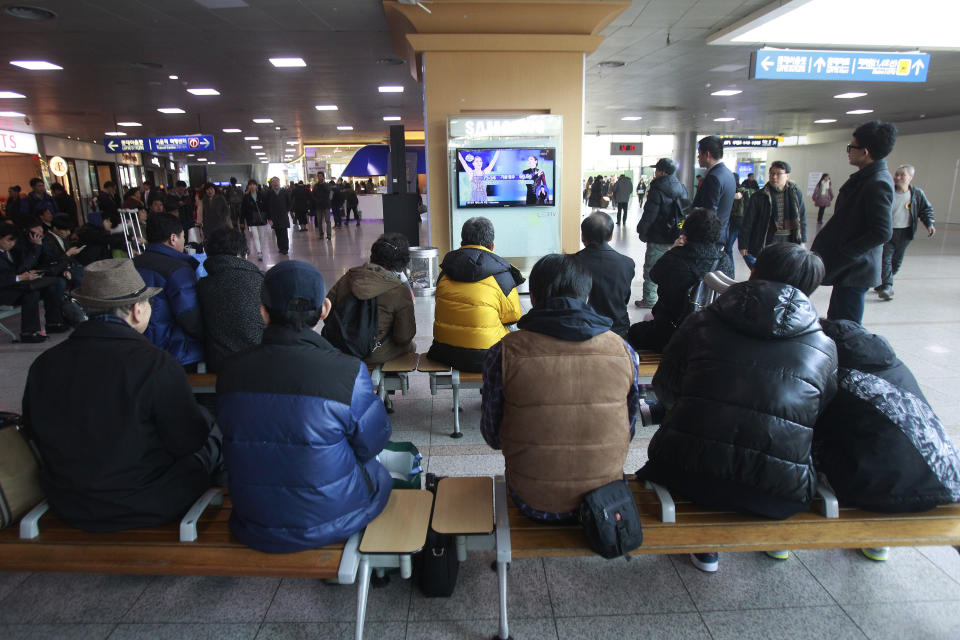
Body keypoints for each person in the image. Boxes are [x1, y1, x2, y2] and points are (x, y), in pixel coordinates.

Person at [637, 243, 838, 573]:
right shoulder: (824, 347)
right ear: (812, 289)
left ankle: (707, 548)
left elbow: (665, 388)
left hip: (685, 469)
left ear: (755, 272)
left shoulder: (702, 321)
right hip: (780, 490)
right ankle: (775, 541)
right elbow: (820, 415)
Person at [21, 258, 222, 532]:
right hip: (145, 503)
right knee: (213, 437)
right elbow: (187, 441)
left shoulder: (45, 363)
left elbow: (33, 433)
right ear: (137, 311)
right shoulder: (155, 364)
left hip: (68, 502)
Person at [216, 260, 392, 553]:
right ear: (324, 310)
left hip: (254, 518)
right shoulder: (347, 371)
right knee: (380, 475)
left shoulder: (231, 371)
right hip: (333, 517)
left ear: (263, 312)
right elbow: (373, 441)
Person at [480, 253, 639, 521]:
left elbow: (492, 435)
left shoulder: (505, 352)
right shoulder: (623, 350)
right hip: (604, 502)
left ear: (534, 296)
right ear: (587, 296)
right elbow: (630, 429)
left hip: (532, 500)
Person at [811, 120, 897, 323]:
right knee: (837, 319)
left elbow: (882, 231)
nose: (848, 151)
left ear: (865, 152)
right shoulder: (867, 178)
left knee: (845, 325)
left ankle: (844, 354)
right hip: (850, 267)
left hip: (857, 268)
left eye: (851, 147)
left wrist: (847, 252)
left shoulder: (878, 182)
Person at [426, 216, 524, 372]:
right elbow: (513, 317)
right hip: (487, 356)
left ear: (461, 244)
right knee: (513, 330)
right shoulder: (502, 276)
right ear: (492, 246)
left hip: (444, 352)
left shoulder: (444, 272)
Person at [627, 208, 721, 352]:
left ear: (687, 232)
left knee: (633, 332)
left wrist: (672, 249)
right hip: (709, 336)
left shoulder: (675, 258)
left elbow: (654, 276)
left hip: (671, 333)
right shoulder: (724, 261)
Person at [325, 232, 416, 365]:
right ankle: (390, 383)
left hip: (340, 348)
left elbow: (327, 314)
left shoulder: (348, 277)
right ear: (402, 261)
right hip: (374, 354)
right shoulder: (399, 290)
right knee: (411, 346)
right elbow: (403, 336)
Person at [132, 213, 204, 367]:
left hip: (136, 348)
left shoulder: (132, 264)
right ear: (173, 238)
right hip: (173, 351)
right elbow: (191, 318)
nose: (184, 241)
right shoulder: (178, 270)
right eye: (183, 237)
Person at [196, 227, 265, 374]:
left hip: (221, 369)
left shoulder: (203, 286)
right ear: (242, 253)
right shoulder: (260, 281)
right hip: (261, 365)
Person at [635, 158, 690, 308]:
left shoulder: (657, 188)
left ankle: (650, 299)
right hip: (677, 235)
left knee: (652, 267)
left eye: (657, 169)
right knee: (673, 267)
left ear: (662, 172)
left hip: (659, 235)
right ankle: (669, 298)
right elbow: (686, 212)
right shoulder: (682, 187)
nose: (656, 172)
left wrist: (642, 231)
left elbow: (650, 214)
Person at [875, 164, 935, 301]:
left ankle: (883, 281)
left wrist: (929, 224)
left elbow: (926, 210)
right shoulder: (887, 191)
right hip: (887, 232)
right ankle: (887, 286)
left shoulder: (917, 194)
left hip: (905, 233)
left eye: (902, 175)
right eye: (896, 174)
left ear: (911, 177)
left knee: (896, 263)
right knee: (886, 259)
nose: (898, 177)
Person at [0, 220, 66, 342]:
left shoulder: (12, 251)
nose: (12, 244)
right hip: (4, 290)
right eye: (9, 240)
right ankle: (28, 332)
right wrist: (20, 277)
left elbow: (22, 267)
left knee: (51, 286)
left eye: (14, 241)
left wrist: (26, 274)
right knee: (31, 293)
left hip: (15, 286)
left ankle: (54, 323)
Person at [575, 211, 634, 338]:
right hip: (618, 331)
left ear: (583, 236)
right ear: (611, 235)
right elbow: (625, 298)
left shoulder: (572, 263)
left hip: (584, 330)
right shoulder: (627, 263)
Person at [739, 161, 807, 264]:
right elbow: (748, 222)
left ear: (787, 175)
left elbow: (802, 218)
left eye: (778, 174)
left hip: (789, 239)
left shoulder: (796, 194)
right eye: (771, 173)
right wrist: (743, 244)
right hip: (767, 239)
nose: (774, 177)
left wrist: (802, 240)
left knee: (786, 269)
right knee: (765, 269)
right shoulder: (759, 196)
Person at [692, 135, 737, 277]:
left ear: (707, 154)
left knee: (704, 276)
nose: (698, 158)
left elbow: (708, 212)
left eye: (699, 154)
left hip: (709, 238)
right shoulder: (728, 174)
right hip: (722, 233)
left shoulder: (714, 177)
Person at [263, 176, 292, 255]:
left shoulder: (284, 192)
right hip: (274, 217)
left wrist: (286, 210)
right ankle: (280, 247)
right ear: (271, 184)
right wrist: (269, 218)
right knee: (278, 232)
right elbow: (266, 206)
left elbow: (289, 203)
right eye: (273, 182)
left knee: (284, 232)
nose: (275, 183)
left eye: (277, 181)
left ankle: (285, 248)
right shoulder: (268, 194)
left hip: (283, 215)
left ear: (279, 183)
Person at [241, 178, 266, 261]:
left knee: (261, 236)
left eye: (253, 184)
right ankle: (259, 252)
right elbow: (243, 209)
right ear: (248, 186)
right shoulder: (246, 197)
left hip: (261, 218)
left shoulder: (262, 195)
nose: (252, 186)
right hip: (251, 219)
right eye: (250, 185)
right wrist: (242, 221)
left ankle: (260, 249)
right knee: (255, 236)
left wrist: (269, 217)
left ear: (256, 186)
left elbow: (266, 207)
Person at [311, 171, 331, 239]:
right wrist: (316, 200)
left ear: (323, 177)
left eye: (320, 176)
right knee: (319, 221)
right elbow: (313, 195)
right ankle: (321, 234)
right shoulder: (316, 186)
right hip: (318, 205)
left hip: (326, 205)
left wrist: (328, 201)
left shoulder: (327, 185)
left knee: (327, 220)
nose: (319, 177)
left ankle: (329, 235)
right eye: (318, 176)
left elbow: (329, 193)